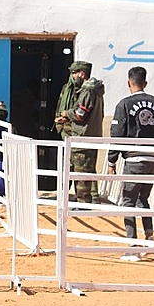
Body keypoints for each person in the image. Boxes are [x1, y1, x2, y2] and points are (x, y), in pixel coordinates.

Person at [108, 66, 154, 261]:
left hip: (134, 159)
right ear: (145, 83)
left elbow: (117, 134)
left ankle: (133, 246)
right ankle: (149, 237)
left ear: (128, 83)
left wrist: (112, 160)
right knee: (143, 199)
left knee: (128, 201)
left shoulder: (124, 104)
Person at [54, 61, 105, 204]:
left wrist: (66, 113)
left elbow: (80, 114)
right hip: (90, 136)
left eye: (74, 73)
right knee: (86, 172)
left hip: (82, 137)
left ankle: (83, 203)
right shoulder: (95, 90)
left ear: (82, 74)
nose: (73, 76)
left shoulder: (87, 91)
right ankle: (84, 201)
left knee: (81, 175)